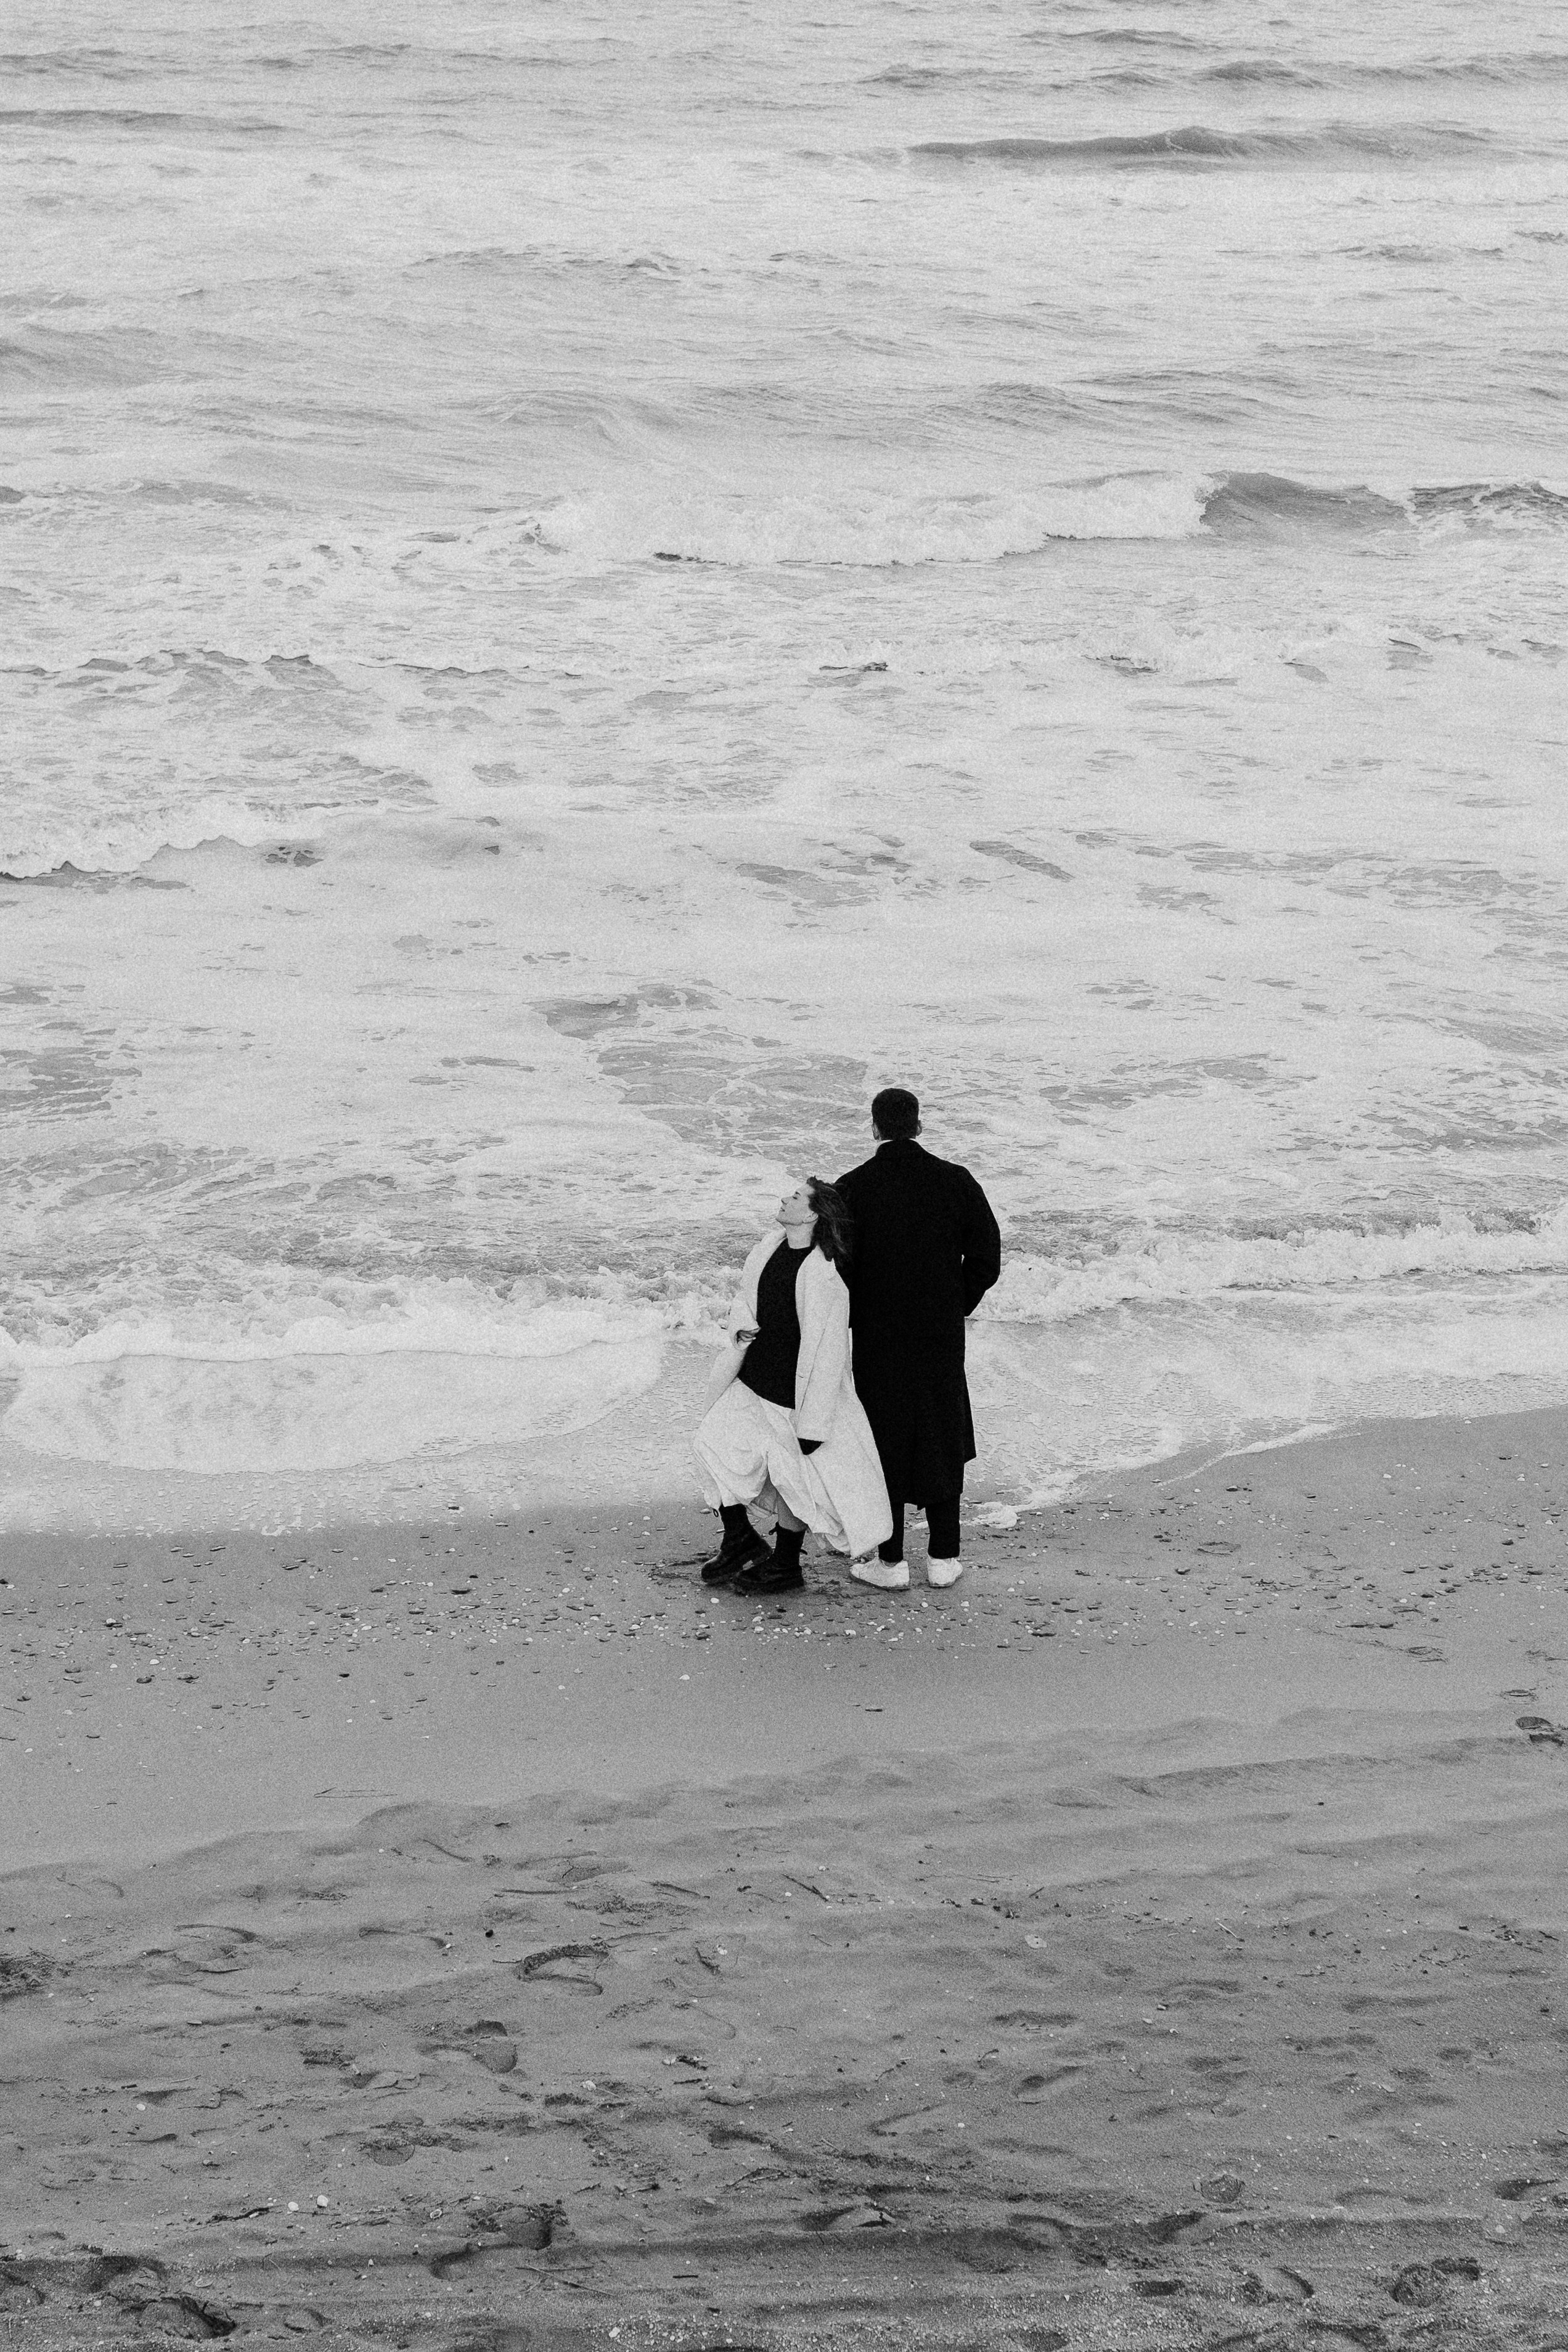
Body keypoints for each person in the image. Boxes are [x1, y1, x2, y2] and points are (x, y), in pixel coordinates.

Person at [692, 1178, 892, 1595]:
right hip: (751, 1380)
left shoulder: (826, 1277)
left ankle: (785, 1565)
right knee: (710, 1444)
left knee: (793, 1482)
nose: (785, 1199)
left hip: (792, 1397)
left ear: (814, 1213)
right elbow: (748, 1299)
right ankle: (739, 1539)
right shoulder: (769, 1246)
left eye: (796, 1197)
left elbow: (829, 1354)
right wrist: (742, 1329)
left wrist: (814, 1424)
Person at [836, 1088, 1002, 1591]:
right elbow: (987, 1259)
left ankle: (889, 1561)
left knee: (884, 1436)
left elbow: (836, 1267)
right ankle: (943, 1556)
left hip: (878, 1333)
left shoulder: (853, 1188)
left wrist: (856, 1313)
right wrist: (956, 1303)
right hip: (938, 1332)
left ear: (874, 1128)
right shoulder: (955, 1181)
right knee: (941, 1430)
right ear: (919, 1126)